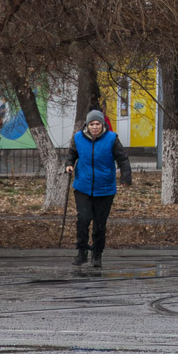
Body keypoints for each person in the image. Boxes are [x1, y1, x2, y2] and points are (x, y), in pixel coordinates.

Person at [65, 109, 132, 268]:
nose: (95, 127)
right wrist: (68, 165)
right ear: (87, 125)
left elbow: (122, 159)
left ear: (103, 125)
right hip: (82, 186)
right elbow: (72, 154)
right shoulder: (78, 138)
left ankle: (97, 254)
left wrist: (125, 177)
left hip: (105, 188)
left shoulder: (111, 139)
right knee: (83, 219)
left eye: (98, 124)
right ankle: (82, 252)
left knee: (100, 223)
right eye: (92, 124)